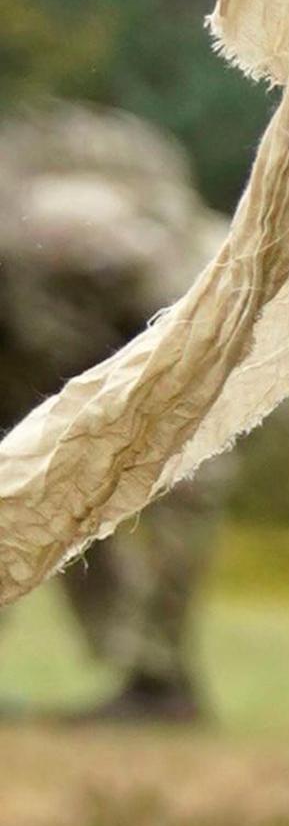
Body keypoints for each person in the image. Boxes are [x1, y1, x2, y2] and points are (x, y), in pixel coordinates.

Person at [0, 103, 228, 725]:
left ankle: (157, 683)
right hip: (129, 323)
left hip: (184, 323)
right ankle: (152, 676)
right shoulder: (44, 201)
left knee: (172, 494)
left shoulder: (47, 221)